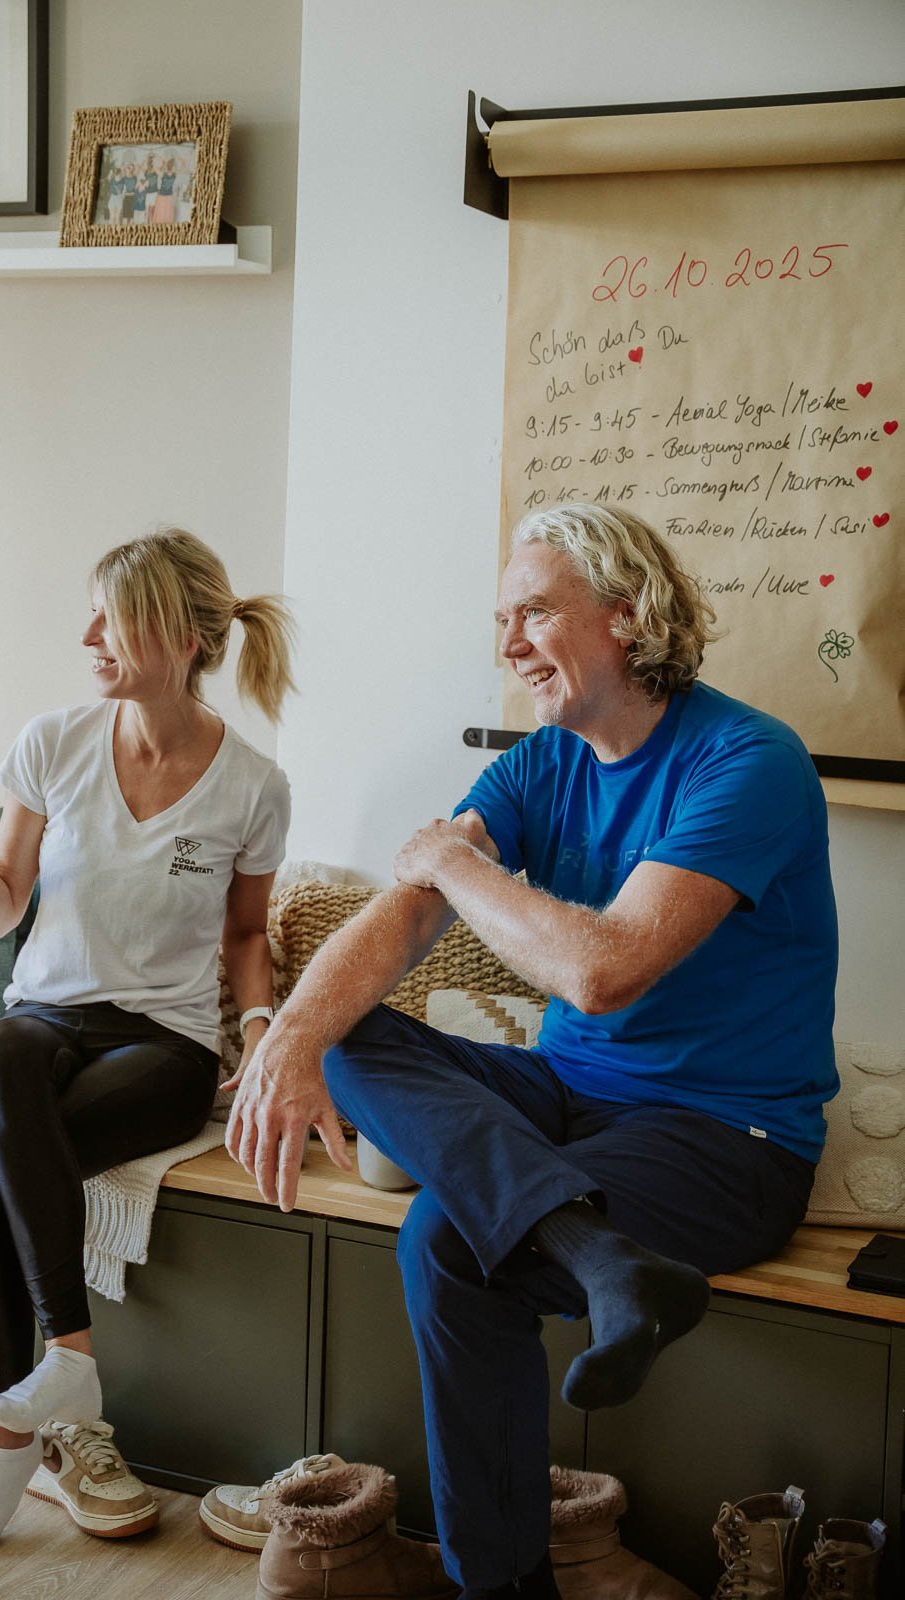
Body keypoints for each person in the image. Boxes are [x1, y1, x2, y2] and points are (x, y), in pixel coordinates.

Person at [226, 502, 838, 1600]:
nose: (506, 642)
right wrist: (285, 1040)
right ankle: (599, 1257)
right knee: (346, 1026)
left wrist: (455, 865)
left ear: (627, 613)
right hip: (564, 1096)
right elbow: (398, 922)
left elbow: (601, 970)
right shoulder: (539, 765)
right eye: (500, 617)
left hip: (727, 1138)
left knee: (445, 1243)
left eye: (534, 612)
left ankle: (499, 1585)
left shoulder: (748, 760)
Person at [0, 527, 295, 1563]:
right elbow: (1, 906)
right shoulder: (53, 741)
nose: (88, 633)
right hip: (44, 1024)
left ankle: (18, 1434)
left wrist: (261, 1029)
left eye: (111, 614)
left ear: (177, 636)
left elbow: (242, 934)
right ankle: (66, 1367)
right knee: (4, 1047)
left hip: (165, 1042)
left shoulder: (252, 786)